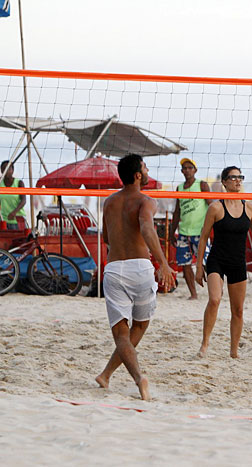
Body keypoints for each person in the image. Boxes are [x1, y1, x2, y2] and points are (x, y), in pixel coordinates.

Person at [95, 154, 176, 401]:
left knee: (121, 334)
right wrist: (163, 263)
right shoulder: (146, 201)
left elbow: (106, 237)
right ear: (138, 175)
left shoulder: (108, 202)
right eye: (145, 166)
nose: (148, 169)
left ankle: (109, 374)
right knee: (140, 326)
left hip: (114, 268)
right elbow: (147, 228)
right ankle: (137, 377)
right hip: (140, 268)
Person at [195, 166, 252, 359]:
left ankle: (234, 351)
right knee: (214, 299)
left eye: (240, 177)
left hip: (238, 262)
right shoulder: (216, 207)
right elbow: (204, 237)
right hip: (217, 259)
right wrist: (199, 267)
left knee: (237, 310)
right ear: (224, 182)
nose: (238, 181)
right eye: (233, 177)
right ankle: (205, 344)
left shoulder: (250, 207)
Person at [169, 158, 211, 300]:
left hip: (201, 232)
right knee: (185, 264)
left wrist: (215, 227)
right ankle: (193, 293)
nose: (187, 170)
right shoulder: (180, 188)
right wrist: (171, 232)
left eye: (190, 168)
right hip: (184, 233)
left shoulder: (202, 185)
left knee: (206, 263)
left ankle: (214, 290)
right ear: (181, 171)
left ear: (195, 170)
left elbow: (211, 206)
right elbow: (177, 211)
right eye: (184, 168)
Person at [0, 160, 26, 230]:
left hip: (17, 220)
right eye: (4, 168)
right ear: (1, 170)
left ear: (12, 170)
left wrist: (14, 212)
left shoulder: (19, 183)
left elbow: (23, 201)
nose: (6, 171)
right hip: (3, 219)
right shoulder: (0, 183)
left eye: (8, 168)